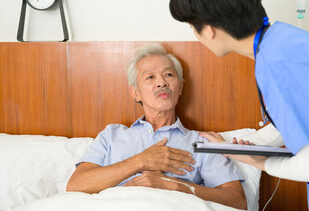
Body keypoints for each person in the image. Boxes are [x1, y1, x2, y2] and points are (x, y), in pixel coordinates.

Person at [169, 0, 309, 211]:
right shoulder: (284, 42)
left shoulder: (279, 63)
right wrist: (244, 150)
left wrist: (260, 162)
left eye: (192, 28)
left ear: (208, 29)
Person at [66, 43, 247, 210]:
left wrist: (173, 185)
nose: (162, 83)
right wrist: (140, 161)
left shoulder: (201, 142)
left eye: (169, 75)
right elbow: (76, 185)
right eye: (150, 77)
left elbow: (237, 201)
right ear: (135, 92)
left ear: (180, 87)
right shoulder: (111, 135)